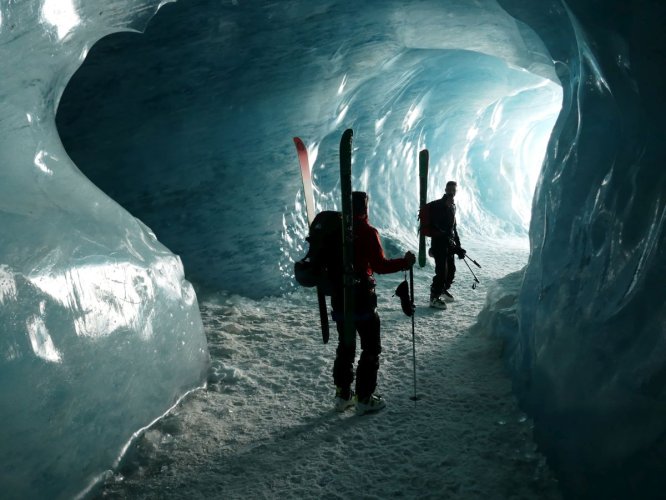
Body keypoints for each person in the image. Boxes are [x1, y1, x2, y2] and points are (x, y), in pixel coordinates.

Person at [331, 191, 416, 415]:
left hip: (339, 299)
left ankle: (343, 395)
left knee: (345, 346)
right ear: (365, 208)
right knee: (370, 348)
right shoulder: (368, 232)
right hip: (362, 299)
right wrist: (404, 263)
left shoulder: (335, 230)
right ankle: (365, 398)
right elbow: (380, 265)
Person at [428, 181, 466, 309]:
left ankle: (443, 289)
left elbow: (453, 228)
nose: (451, 191)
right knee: (441, 271)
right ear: (445, 189)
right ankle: (434, 297)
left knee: (451, 270)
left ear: (456, 191)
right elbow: (436, 224)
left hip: (449, 244)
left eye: (453, 189)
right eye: (449, 189)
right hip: (439, 244)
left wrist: (458, 246)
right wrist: (445, 237)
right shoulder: (440, 205)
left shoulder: (453, 206)